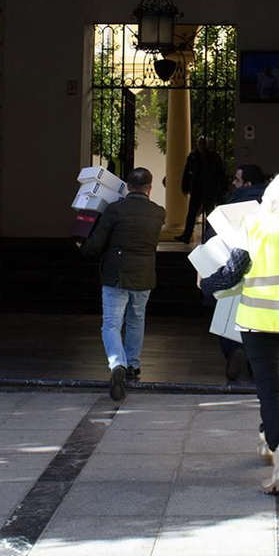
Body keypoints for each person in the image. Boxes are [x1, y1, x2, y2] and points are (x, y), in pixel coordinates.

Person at [202, 168, 279, 495]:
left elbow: (232, 273)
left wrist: (205, 284)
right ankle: (265, 436)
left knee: (270, 387)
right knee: (277, 385)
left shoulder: (255, 225)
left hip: (261, 320)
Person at [81, 167, 166, 401]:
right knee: (136, 320)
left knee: (111, 323)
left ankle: (117, 363)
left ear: (127, 186)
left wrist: (83, 248)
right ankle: (133, 365)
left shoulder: (114, 210)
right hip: (144, 275)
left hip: (115, 275)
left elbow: (97, 243)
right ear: (150, 188)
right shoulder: (159, 213)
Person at [204, 164, 268, 382]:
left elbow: (211, 237)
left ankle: (232, 351)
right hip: (264, 275)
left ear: (248, 184)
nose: (233, 183)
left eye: (237, 180)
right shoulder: (271, 206)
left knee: (228, 317)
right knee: (257, 324)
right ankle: (253, 364)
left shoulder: (233, 205)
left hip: (232, 268)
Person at [177, 136, 226, 243]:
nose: (201, 145)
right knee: (191, 213)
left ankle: (209, 236)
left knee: (210, 214)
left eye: (203, 143)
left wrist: (220, 190)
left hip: (210, 189)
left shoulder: (214, 157)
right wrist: (185, 187)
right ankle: (187, 236)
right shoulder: (193, 157)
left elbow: (220, 174)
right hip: (197, 188)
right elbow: (187, 172)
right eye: (200, 143)